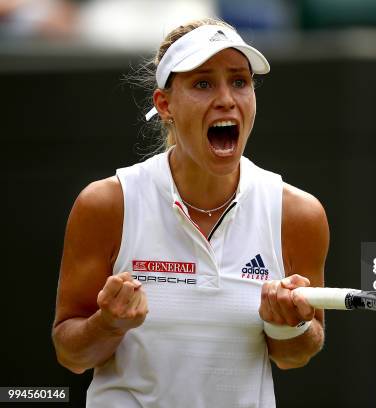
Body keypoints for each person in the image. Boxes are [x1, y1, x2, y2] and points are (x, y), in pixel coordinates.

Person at [51, 17, 328, 407]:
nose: (226, 99)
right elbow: (71, 354)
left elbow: (295, 354)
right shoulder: (107, 204)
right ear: (165, 104)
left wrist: (287, 325)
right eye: (202, 83)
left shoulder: (299, 214)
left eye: (239, 81)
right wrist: (109, 324)